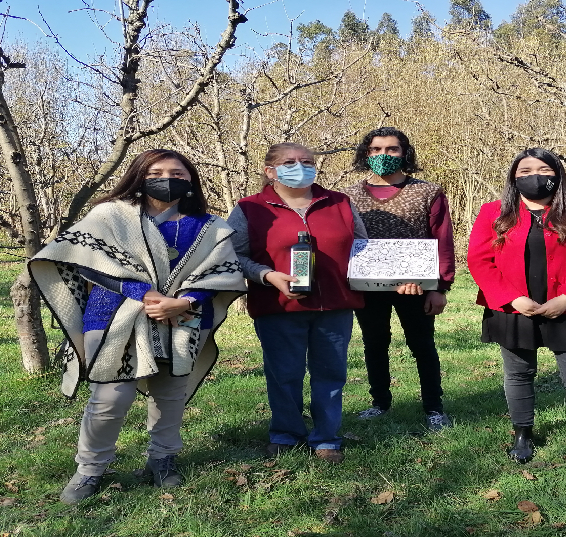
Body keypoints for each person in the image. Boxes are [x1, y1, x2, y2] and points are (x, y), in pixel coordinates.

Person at [30, 149, 246, 505]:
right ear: (140, 176)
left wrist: (185, 301)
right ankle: (89, 470)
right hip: (113, 316)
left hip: (182, 319)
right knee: (110, 398)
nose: (166, 178)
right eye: (157, 171)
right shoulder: (109, 216)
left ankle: (162, 458)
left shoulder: (211, 227)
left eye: (176, 173)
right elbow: (87, 262)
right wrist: (142, 292)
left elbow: (222, 274)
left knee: (171, 392)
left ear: (190, 179)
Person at [467, 148, 566, 466]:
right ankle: (522, 436)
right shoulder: (494, 212)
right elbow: (479, 260)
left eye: (544, 169)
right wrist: (511, 298)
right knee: (518, 374)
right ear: (514, 178)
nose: (534, 175)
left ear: (557, 174)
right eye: (525, 170)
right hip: (514, 309)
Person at [227, 142, 366, 464]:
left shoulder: (339, 203)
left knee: (331, 374)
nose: (300, 166)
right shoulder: (250, 208)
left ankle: (326, 438)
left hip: (335, 306)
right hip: (279, 306)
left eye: (307, 161)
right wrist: (266, 275)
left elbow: (363, 247)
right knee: (284, 374)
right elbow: (234, 255)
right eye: (290, 162)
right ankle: (285, 435)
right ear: (270, 171)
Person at [343, 127, 456, 431]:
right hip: (367, 287)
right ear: (366, 154)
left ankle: (434, 407)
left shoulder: (428, 192)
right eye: (376, 149)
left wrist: (439, 287)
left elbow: (442, 239)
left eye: (392, 149)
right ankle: (379, 402)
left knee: (422, 344)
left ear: (404, 153)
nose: (384, 155)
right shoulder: (348, 196)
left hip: (416, 286)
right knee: (374, 342)